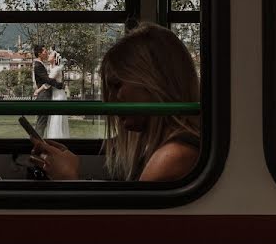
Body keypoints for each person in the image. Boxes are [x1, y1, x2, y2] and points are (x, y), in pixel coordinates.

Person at [31, 23, 200, 182]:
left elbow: (129, 214)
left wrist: (69, 179)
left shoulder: (173, 156)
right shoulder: (152, 145)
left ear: (155, 83)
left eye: (117, 85)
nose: (110, 100)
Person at [36, 50, 69, 139]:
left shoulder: (56, 69)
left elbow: (48, 83)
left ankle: (56, 137)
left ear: (54, 59)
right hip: (54, 94)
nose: (48, 55)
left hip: (58, 95)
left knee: (56, 119)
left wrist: (37, 91)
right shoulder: (51, 67)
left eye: (50, 54)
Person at [32, 44, 63, 134]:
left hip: (44, 93)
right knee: (42, 121)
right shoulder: (38, 65)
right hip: (43, 95)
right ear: (39, 53)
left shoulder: (42, 64)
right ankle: (38, 142)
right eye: (45, 52)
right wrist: (58, 85)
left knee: (42, 121)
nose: (47, 53)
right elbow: (47, 80)